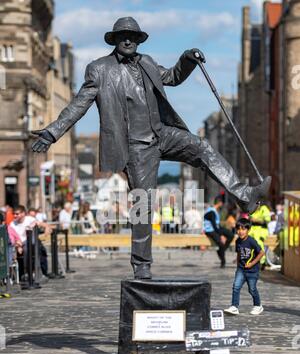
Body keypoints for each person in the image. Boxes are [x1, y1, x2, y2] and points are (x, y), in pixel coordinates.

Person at [31, 16, 271, 279]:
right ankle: (142, 265)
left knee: (202, 147)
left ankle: (244, 195)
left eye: (132, 36)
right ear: (114, 39)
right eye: (123, 36)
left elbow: (173, 76)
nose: (128, 40)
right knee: (143, 205)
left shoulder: (146, 62)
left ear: (138, 40)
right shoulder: (99, 69)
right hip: (136, 147)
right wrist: (53, 132)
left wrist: (187, 59)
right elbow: (78, 104)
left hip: (162, 134)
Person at [224, 217, 265, 316]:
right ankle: (234, 307)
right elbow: (238, 253)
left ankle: (258, 305)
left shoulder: (251, 241)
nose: (240, 231)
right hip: (241, 269)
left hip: (252, 270)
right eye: (238, 229)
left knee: (252, 289)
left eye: (243, 229)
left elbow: (261, 253)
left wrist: (252, 263)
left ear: (248, 230)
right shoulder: (238, 241)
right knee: (236, 286)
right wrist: (238, 265)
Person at [204, 196, 234, 268]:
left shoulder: (214, 211)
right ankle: (223, 262)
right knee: (221, 244)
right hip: (210, 230)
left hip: (215, 229)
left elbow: (217, 225)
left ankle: (221, 250)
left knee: (230, 235)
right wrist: (221, 235)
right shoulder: (211, 212)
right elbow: (214, 226)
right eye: (222, 203)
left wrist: (224, 231)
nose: (222, 205)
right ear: (219, 203)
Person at [249, 203, 271, 267]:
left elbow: (267, 220)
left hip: (261, 231)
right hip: (253, 231)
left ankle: (262, 261)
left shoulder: (264, 209)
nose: (255, 206)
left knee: (259, 244)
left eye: (257, 204)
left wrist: (256, 220)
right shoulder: (252, 210)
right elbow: (250, 219)